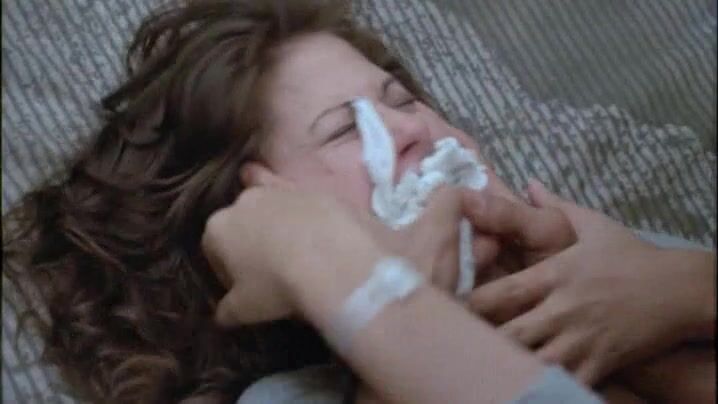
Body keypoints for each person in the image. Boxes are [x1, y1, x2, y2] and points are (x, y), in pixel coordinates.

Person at [3, 0, 713, 402]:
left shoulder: (627, 270)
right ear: (258, 237)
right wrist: (343, 277)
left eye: (402, 99)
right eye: (347, 131)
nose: (412, 129)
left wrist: (675, 299)